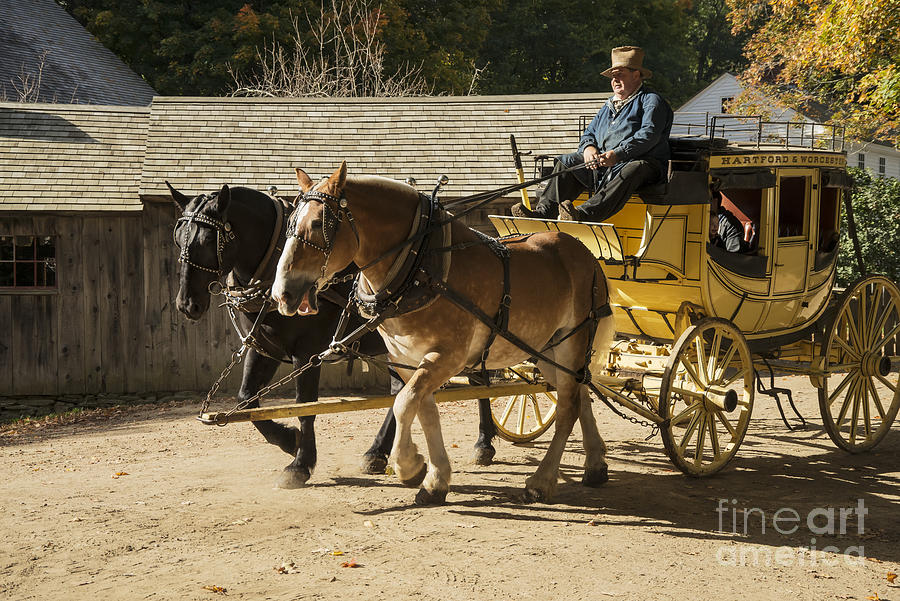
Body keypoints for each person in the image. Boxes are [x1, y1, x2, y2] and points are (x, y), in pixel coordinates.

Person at [512, 46, 673, 222]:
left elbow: (648, 135)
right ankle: (543, 213)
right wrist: (589, 148)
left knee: (633, 168)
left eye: (620, 75)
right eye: (613, 76)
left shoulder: (651, 101)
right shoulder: (609, 106)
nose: (615, 80)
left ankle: (583, 214)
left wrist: (618, 154)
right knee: (567, 162)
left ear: (636, 75)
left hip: (645, 165)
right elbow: (589, 132)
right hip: (607, 164)